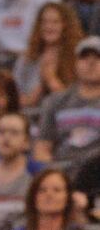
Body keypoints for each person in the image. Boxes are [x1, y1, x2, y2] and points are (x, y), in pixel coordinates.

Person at [34, 36, 100, 167]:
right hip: (62, 174)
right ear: (75, 63)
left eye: (97, 58)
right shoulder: (55, 101)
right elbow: (42, 148)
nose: (90, 63)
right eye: (84, 57)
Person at [0, 113, 40, 230]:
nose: (6, 138)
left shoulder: (37, 174)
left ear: (26, 142)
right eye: (1, 132)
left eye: (14, 133)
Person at [14, 2, 84, 109]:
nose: (49, 27)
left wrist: (51, 79)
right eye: (44, 22)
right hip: (30, 116)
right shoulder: (26, 58)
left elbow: (74, 104)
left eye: (55, 22)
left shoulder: (78, 57)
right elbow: (15, 99)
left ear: (66, 25)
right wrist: (41, 87)